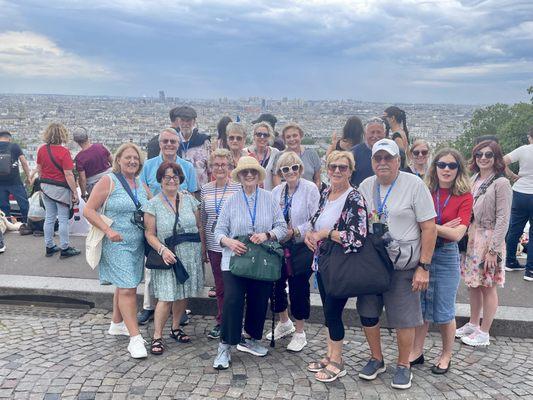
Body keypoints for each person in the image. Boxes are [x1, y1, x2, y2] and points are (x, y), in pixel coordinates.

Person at [358, 138, 437, 390]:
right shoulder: (365, 185)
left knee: (404, 318)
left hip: (403, 264)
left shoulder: (414, 185)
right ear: (372, 162)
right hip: (372, 264)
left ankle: (404, 365)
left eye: (388, 158)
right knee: (368, 313)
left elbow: (429, 228)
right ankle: (376, 358)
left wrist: (423, 266)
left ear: (398, 161)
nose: (382, 163)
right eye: (378, 158)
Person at [304, 150, 376, 382]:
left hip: (341, 264)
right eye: (333, 166)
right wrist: (310, 233)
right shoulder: (326, 192)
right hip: (324, 261)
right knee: (328, 311)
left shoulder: (354, 198)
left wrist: (327, 233)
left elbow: (358, 237)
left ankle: (338, 361)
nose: (336, 171)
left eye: (342, 168)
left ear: (350, 171)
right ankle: (330, 354)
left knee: (333, 312)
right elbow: (316, 220)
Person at [212, 156, 287, 370]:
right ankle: (225, 346)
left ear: (258, 174)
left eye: (253, 171)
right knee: (233, 301)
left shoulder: (269, 198)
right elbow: (218, 231)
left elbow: (282, 227)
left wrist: (267, 235)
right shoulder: (231, 200)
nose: (249, 175)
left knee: (259, 300)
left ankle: (251, 338)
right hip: (235, 260)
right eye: (245, 172)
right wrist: (229, 242)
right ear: (240, 176)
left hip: (261, 260)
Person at [83, 143, 150, 359]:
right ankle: (135, 339)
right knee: (129, 288)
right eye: (128, 157)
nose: (132, 161)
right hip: (116, 242)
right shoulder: (108, 181)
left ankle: (117, 323)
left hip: (137, 244)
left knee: (124, 286)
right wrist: (108, 230)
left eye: (136, 158)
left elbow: (150, 206)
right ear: (118, 160)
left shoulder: (140, 183)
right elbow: (88, 209)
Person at [410, 148, 473, 374]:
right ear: (434, 167)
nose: (446, 169)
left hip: (446, 255)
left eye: (452, 165)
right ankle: (416, 351)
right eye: (442, 165)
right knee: (420, 306)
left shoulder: (464, 196)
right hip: (422, 252)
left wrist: (428, 226)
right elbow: (412, 220)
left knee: (445, 310)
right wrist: (442, 228)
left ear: (459, 169)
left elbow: (457, 235)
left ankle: (446, 355)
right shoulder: (425, 190)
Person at [144, 161, 205, 355]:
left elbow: (199, 226)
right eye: (167, 177)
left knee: (183, 293)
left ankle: (176, 327)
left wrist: (203, 250)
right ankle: (157, 336)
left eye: (175, 176)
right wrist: (163, 250)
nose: (172, 180)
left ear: (180, 179)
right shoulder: (152, 204)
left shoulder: (190, 200)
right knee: (166, 296)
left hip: (190, 253)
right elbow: (149, 234)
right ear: (160, 180)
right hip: (168, 255)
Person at [138, 128, 197, 325]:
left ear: (178, 144)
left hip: (179, 224)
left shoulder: (187, 166)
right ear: (160, 143)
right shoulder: (148, 165)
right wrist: (153, 205)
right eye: (165, 141)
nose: (169, 144)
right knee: (154, 268)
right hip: (156, 217)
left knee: (181, 270)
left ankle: (180, 311)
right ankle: (149, 306)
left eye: (173, 141)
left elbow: (192, 193)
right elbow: (144, 188)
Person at [456, 140, 512, 346]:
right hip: (472, 237)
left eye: (488, 155)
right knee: (473, 284)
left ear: (496, 158)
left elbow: (504, 218)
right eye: (479, 154)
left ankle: (484, 332)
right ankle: (473, 323)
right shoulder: (474, 179)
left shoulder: (502, 183)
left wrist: (494, 250)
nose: (483, 158)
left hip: (488, 239)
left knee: (488, 286)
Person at [269, 151, 320, 352]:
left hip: (301, 245)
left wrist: (296, 231)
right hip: (280, 245)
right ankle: (284, 322)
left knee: (299, 288)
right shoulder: (277, 191)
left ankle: (300, 331)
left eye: (294, 167)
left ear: (300, 169)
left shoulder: (310, 189)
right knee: (276, 284)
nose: (290, 172)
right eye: (285, 169)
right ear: (280, 172)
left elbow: (316, 218)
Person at [200, 149, 241, 339]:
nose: (220, 168)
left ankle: (235, 321)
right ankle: (222, 320)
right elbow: (203, 220)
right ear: (211, 167)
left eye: (224, 164)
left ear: (230, 167)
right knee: (220, 286)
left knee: (236, 287)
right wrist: (203, 247)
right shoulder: (206, 189)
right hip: (214, 244)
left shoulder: (238, 188)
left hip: (233, 245)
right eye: (216, 164)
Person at [36, 123, 80, 259]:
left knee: (49, 217)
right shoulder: (64, 152)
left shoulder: (41, 150)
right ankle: (65, 248)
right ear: (62, 135)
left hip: (46, 187)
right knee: (63, 220)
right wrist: (74, 191)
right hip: (60, 189)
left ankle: (49, 246)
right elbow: (68, 174)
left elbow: (39, 169)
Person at [504, 128, 533, 281]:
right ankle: (530, 270)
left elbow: (502, 161)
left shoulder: (523, 150)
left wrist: (512, 176)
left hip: (520, 191)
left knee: (514, 229)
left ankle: (510, 261)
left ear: (530, 137)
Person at [271, 123, 322, 188]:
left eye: (295, 136)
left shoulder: (311, 154)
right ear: (284, 140)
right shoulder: (279, 156)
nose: (292, 139)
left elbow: (317, 179)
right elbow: (277, 180)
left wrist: (313, 194)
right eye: (288, 137)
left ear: (301, 136)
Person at [174, 106, 212, 187]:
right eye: (182, 120)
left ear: (194, 122)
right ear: (178, 121)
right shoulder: (173, 141)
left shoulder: (203, 141)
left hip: (200, 189)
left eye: (188, 121)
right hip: (178, 190)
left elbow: (210, 169)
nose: (185, 124)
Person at [72, 128, 112, 200]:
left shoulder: (79, 158)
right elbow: (113, 162)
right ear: (87, 136)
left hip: (95, 187)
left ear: (76, 141)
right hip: (110, 181)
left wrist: (83, 194)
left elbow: (82, 179)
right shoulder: (100, 147)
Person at [0, 131, 30, 223]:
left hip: (0, 183)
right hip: (15, 181)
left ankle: (7, 224)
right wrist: (28, 176)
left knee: (3, 205)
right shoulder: (14, 146)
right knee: (23, 203)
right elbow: (23, 162)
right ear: (9, 138)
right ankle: (26, 223)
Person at [350, 117, 386, 187]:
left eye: (379, 132)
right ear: (365, 134)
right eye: (372, 132)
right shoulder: (354, 153)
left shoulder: (394, 153)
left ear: (384, 133)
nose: (375, 136)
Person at [246, 122, 280, 191]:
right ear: (253, 136)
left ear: (269, 137)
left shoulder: (275, 153)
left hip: (269, 196)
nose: (262, 137)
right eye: (259, 134)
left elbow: (277, 175)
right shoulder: (245, 153)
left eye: (265, 135)